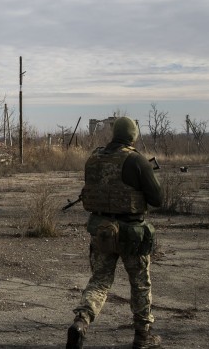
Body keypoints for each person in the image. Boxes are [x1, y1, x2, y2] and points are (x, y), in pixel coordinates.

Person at [67, 116, 163, 349]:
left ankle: (81, 321)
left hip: (102, 232)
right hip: (132, 235)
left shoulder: (94, 159)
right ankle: (142, 336)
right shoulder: (137, 161)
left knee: (99, 281)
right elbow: (157, 199)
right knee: (140, 284)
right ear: (133, 135)